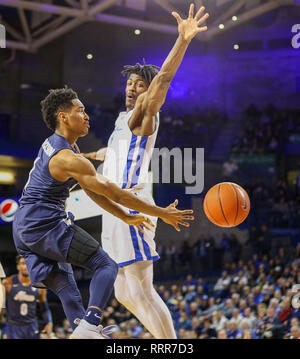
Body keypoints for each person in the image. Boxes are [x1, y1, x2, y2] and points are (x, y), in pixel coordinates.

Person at [12, 88, 194, 339]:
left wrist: (126, 216)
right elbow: (114, 192)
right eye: (81, 110)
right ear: (63, 117)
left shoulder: (62, 147)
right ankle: (90, 325)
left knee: (67, 287)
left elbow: (93, 192)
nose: (87, 116)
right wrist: (160, 212)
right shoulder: (68, 157)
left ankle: (84, 331)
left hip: (23, 227)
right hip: (42, 223)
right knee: (105, 264)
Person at [82, 3, 209, 339]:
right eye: (130, 83)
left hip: (131, 204)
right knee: (123, 291)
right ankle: (160, 339)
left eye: (140, 84)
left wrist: (182, 40)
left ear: (148, 92)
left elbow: (164, 79)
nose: (132, 88)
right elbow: (112, 152)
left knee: (141, 286)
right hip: (114, 205)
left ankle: (170, 344)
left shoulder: (143, 116)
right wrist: (88, 155)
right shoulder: (122, 121)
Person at [3, 256, 53, 339]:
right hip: (13, 326)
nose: (26, 266)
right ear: (18, 266)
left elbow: (44, 308)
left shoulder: (39, 285)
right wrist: (4, 328)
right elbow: (1, 305)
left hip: (32, 326)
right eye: (23, 263)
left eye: (28, 264)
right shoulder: (8, 283)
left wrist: (49, 322)